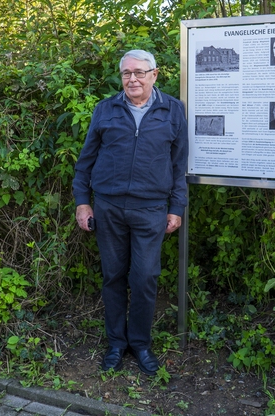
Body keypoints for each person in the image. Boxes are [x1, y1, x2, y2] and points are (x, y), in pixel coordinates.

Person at [72, 50, 188, 376]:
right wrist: (83, 202)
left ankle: (140, 344)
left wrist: (176, 207)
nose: (132, 79)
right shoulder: (105, 109)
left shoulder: (172, 111)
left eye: (139, 72)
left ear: (154, 74)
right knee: (113, 276)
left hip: (151, 209)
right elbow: (86, 161)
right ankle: (116, 344)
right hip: (109, 208)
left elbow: (179, 166)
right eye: (126, 73)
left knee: (145, 277)